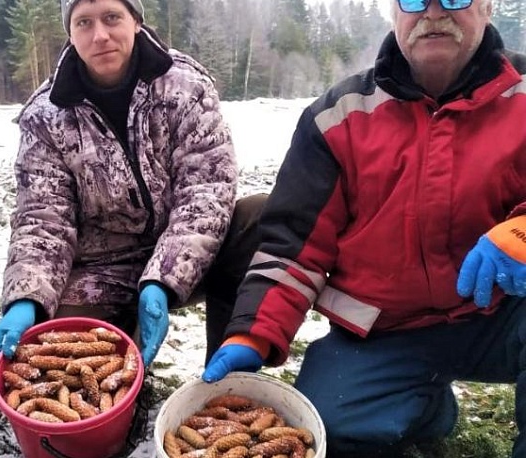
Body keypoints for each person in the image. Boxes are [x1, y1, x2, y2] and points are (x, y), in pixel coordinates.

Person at [200, 0, 526, 456]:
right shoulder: (335, 117)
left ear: (488, 6)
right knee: (329, 428)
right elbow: (294, 245)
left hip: (502, 316)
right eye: (413, 0)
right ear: (392, 11)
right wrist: (251, 332)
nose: (433, 13)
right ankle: (423, 405)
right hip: (387, 330)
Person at [0, 0, 237, 368]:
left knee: (255, 220)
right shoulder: (45, 115)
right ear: (70, 34)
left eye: (112, 18)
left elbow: (207, 191)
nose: (99, 35)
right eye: (83, 23)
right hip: (102, 266)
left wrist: (162, 279)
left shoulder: (185, 87)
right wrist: (28, 297)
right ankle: (122, 350)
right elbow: (43, 217)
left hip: (192, 251)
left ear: (136, 21)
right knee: (60, 361)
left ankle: (225, 370)